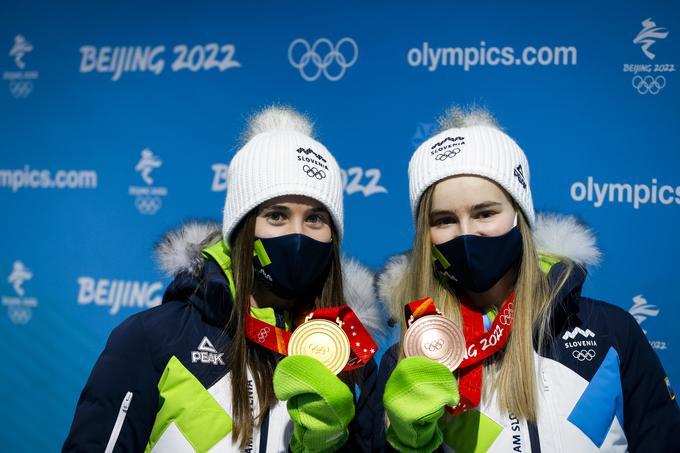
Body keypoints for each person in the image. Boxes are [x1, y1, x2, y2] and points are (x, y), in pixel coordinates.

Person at [63, 106, 384, 452]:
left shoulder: (351, 361)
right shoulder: (153, 339)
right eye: (276, 216)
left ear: (333, 237)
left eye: (316, 219)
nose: (297, 235)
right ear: (243, 229)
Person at [375, 106, 680, 452]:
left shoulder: (611, 333)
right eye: (444, 220)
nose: (467, 234)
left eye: (485, 213)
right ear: (425, 236)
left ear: (519, 216)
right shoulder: (409, 362)